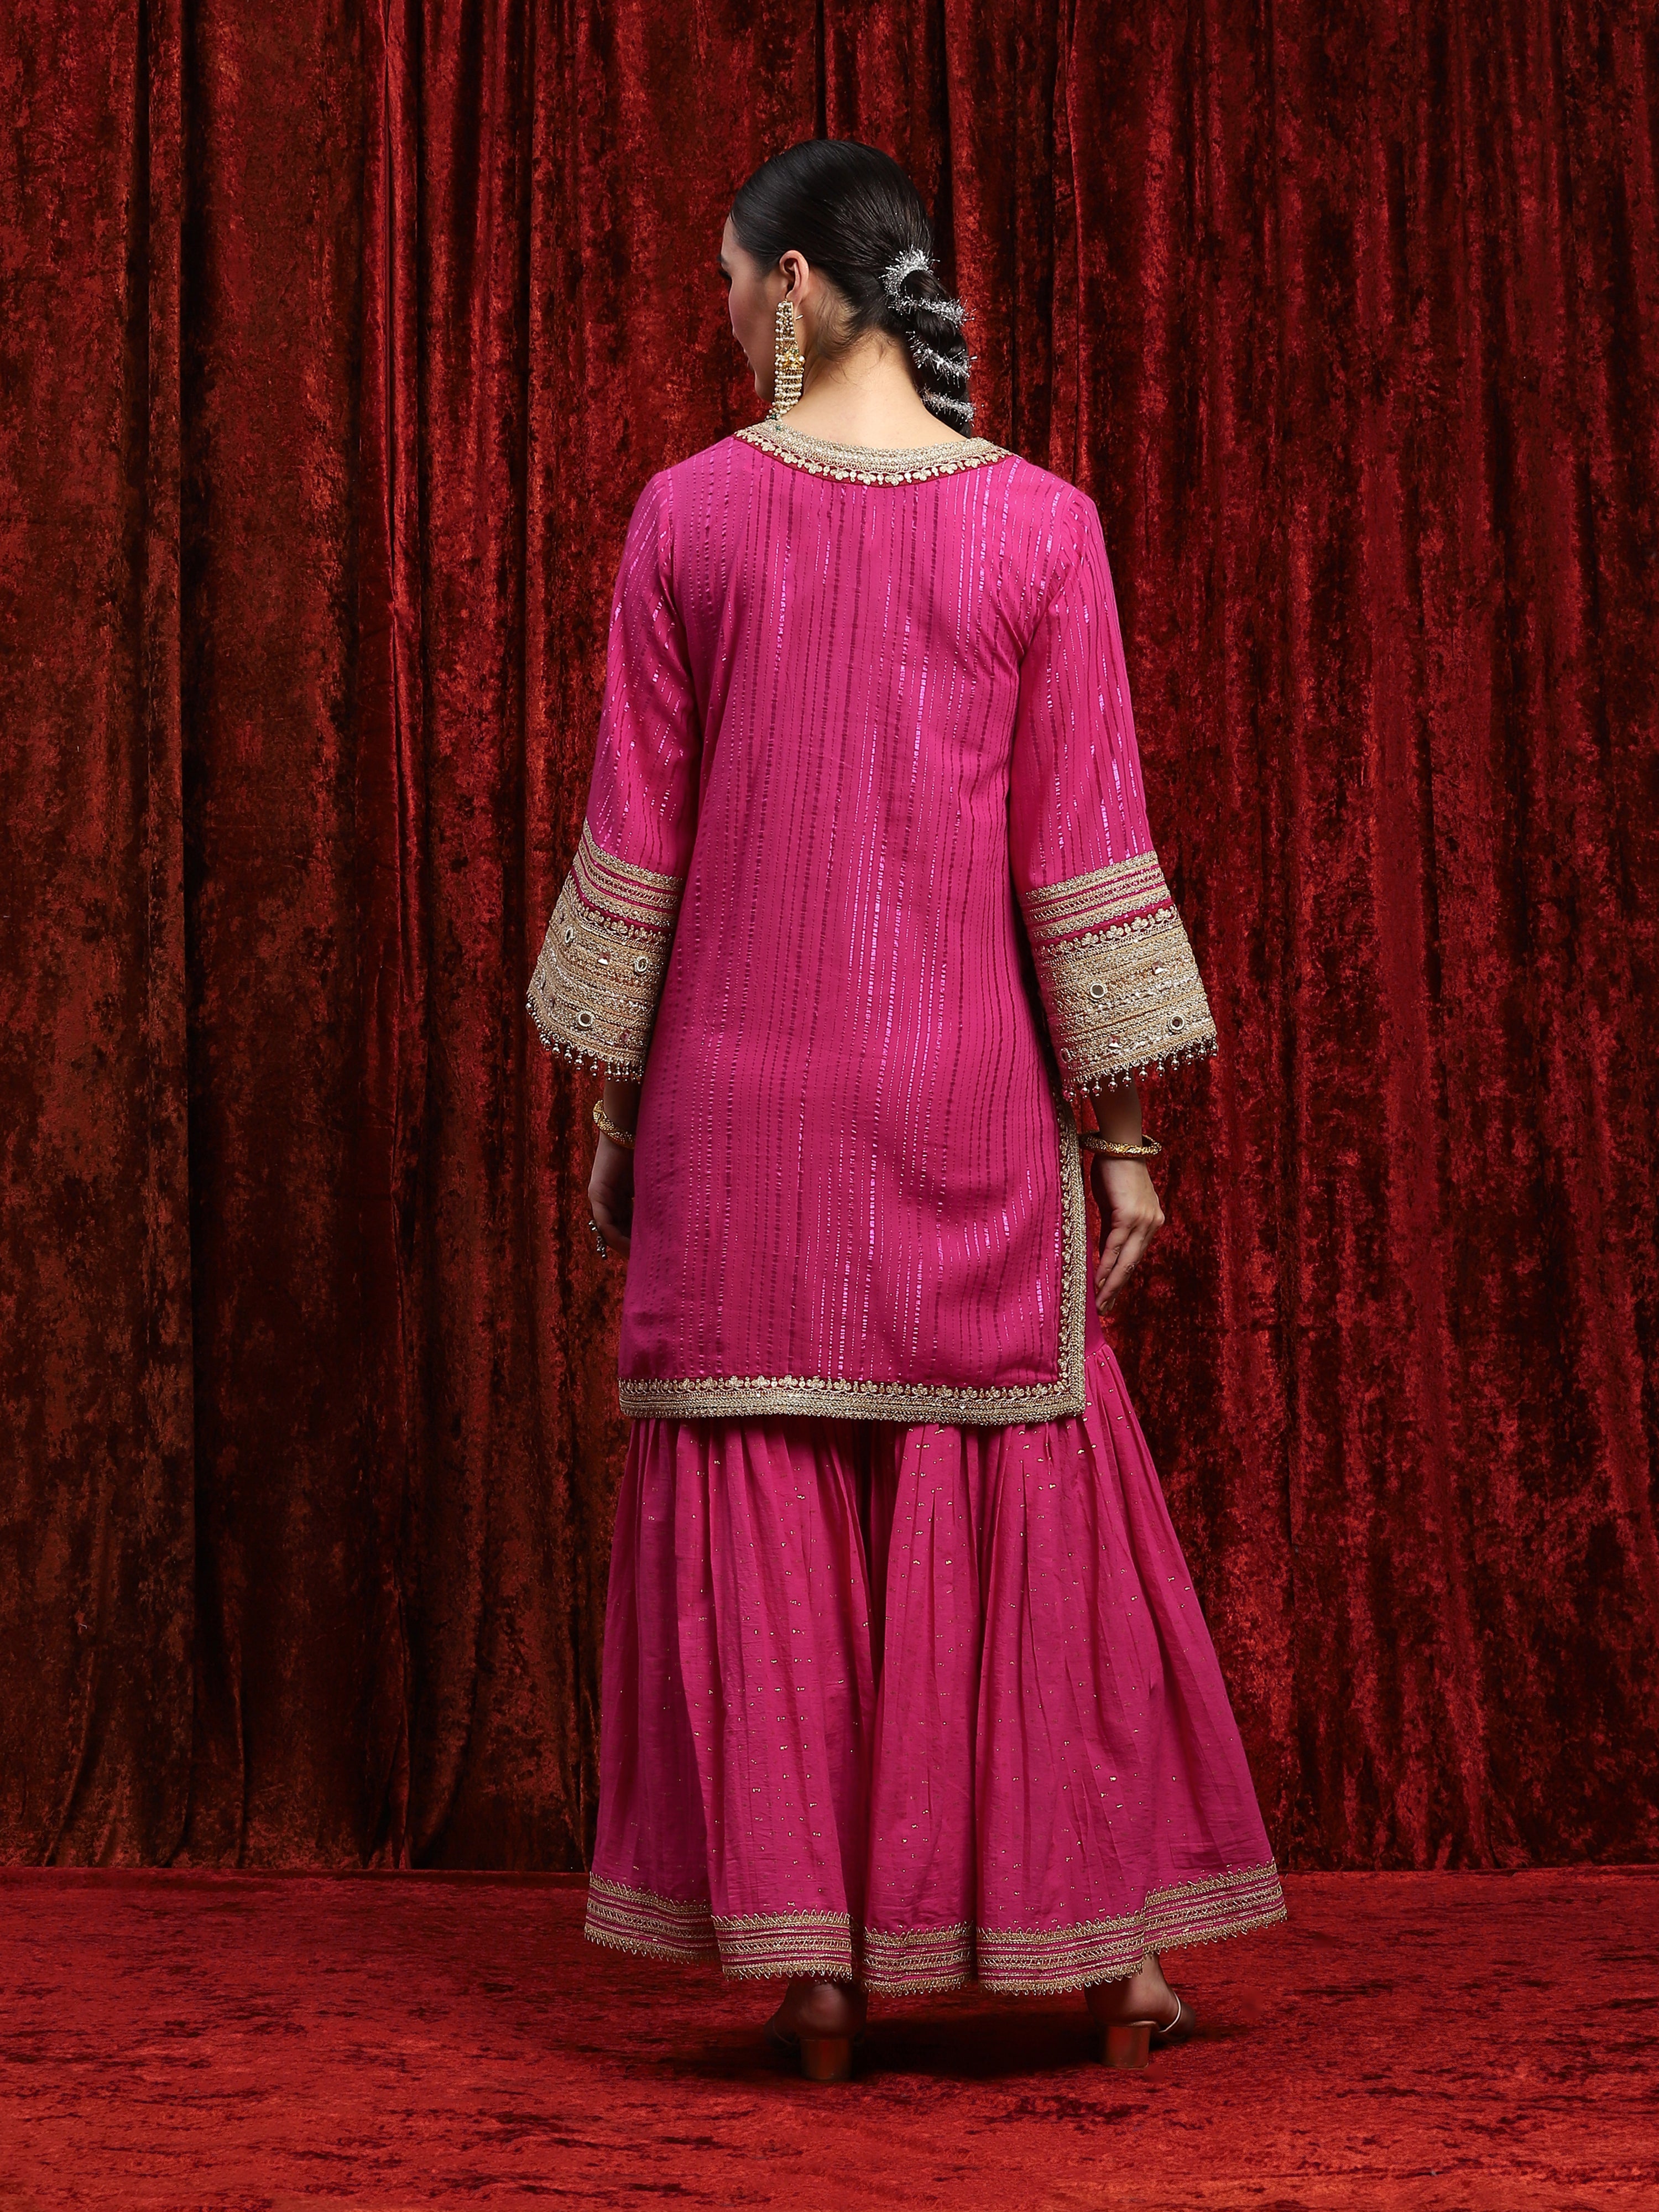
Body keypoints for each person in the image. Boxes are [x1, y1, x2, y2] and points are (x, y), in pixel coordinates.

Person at [528, 137, 1284, 2083]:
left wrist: (611, 1107)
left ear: (794, 291)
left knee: (771, 1487)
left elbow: (639, 841)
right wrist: (1126, 1139)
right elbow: (1083, 851)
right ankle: (1112, 1973)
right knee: (1016, 1486)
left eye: (728, 278)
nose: (722, 312)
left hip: (738, 1099)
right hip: (962, 1092)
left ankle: (819, 1985)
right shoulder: (1042, 526)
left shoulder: (686, 517)